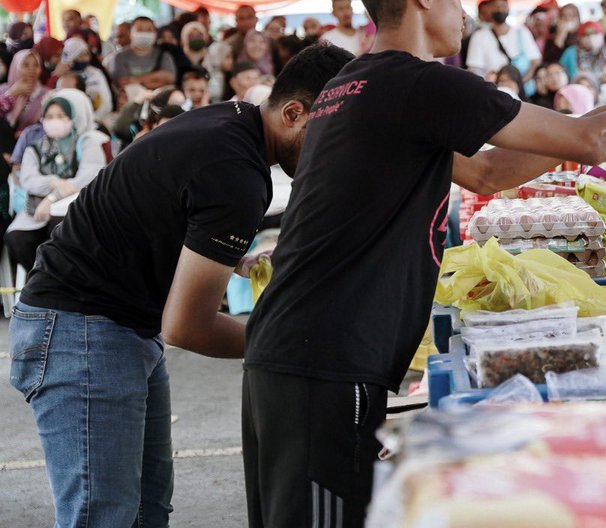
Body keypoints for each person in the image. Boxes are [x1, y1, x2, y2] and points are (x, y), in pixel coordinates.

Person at [241, 0, 606, 528]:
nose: (463, 7)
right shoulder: (421, 83)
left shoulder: (352, 85)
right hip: (323, 361)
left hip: (293, 352)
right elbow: (590, 144)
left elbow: (492, 172)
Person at [8, 44, 353, 528]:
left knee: (148, 510)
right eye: (333, 132)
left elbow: (162, 214)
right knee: (103, 516)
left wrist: (229, 259)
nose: (337, 150)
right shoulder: (237, 173)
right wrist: (293, 344)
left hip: (114, 327)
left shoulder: (231, 121)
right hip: (81, 332)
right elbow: (188, 326)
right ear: (294, 113)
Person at [5, 90, 106, 275]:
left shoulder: (86, 142)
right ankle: (40, 278)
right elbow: (28, 179)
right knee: (17, 238)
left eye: (61, 115)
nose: (55, 121)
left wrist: (52, 198)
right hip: (35, 210)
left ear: (72, 117)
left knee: (61, 230)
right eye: (49, 116)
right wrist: (54, 182)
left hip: (74, 207)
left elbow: (86, 178)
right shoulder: (35, 148)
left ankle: (61, 282)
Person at [465, 0, 541, 81]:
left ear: (508, 9)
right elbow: (474, 69)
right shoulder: (479, 36)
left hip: (524, 89)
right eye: (496, 7)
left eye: (503, 6)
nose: (500, 9)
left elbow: (535, 61)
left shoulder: (522, 32)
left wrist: (520, 84)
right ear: (489, 10)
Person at [112, 16, 177, 90]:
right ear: (130, 33)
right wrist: (159, 75)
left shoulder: (164, 56)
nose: (144, 33)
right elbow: (123, 83)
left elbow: (170, 80)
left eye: (149, 30)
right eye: (140, 30)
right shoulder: (120, 57)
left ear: (155, 33)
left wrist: (136, 80)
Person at [0, 49, 50, 145]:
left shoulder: (46, 94)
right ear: (16, 67)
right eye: (25, 65)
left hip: (30, 144)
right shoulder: (3, 90)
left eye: (36, 65)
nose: (31, 70)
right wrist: (12, 94)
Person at [60, 36, 114, 122]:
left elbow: (106, 101)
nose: (85, 58)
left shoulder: (95, 73)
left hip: (99, 119)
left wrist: (94, 119)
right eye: (80, 55)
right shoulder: (64, 77)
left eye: (86, 54)